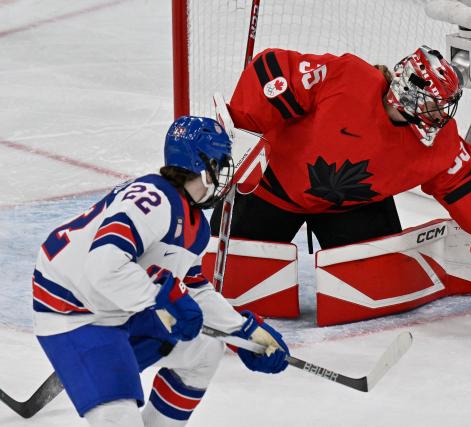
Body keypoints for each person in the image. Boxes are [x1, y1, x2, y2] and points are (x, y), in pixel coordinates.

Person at [211, 45, 471, 314]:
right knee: (226, 281)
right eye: (431, 104)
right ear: (408, 91)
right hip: (272, 190)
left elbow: (465, 180)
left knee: (376, 283)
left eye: (442, 107)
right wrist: (244, 130)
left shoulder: (436, 141)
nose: (438, 116)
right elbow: (273, 73)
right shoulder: (348, 79)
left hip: (351, 208)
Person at [33, 116, 290, 427]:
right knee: (119, 417)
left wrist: (244, 332)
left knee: (206, 349)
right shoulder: (153, 199)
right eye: (219, 165)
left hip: (120, 309)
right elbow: (103, 264)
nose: (224, 175)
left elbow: (193, 286)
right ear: (199, 164)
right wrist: (159, 297)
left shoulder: (193, 224)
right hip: (74, 313)